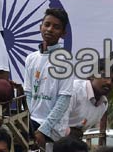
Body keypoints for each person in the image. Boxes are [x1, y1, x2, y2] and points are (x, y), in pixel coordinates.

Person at [23, 8, 75, 149]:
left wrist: (42, 130)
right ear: (40, 27)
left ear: (63, 33)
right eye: (47, 24)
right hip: (32, 123)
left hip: (52, 128)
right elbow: (27, 93)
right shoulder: (31, 58)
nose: (50, 29)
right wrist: (27, 123)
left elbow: (63, 100)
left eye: (56, 27)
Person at [62, 61, 113, 140]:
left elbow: (81, 131)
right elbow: (55, 122)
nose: (109, 82)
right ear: (92, 76)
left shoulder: (103, 105)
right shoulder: (74, 90)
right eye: (105, 76)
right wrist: (71, 133)